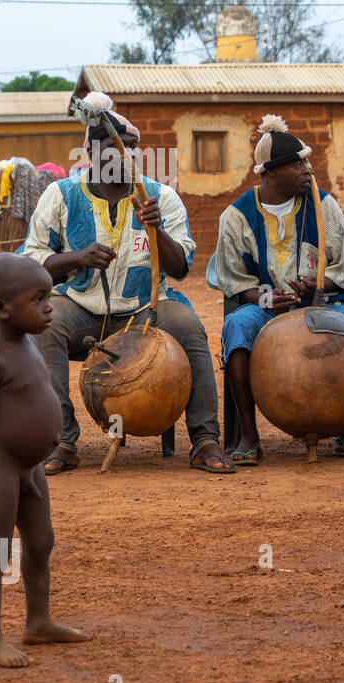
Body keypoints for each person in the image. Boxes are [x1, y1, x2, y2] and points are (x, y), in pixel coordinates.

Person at [23, 90, 234, 474]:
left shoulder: (160, 196)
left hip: (146, 310)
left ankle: (205, 439)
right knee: (44, 326)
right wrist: (77, 257)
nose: (127, 155)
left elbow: (181, 266)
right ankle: (62, 441)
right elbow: (31, 261)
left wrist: (158, 231)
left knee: (189, 327)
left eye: (134, 148)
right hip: (80, 306)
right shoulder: (61, 195)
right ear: (92, 154)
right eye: (117, 147)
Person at [0, 253, 90, 668]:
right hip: (0, 466)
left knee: (41, 543)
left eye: (49, 296)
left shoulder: (26, 341)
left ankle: (38, 622)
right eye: (38, 298)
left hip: (31, 466)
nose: (49, 307)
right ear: (1, 309)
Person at [214, 115, 344, 463]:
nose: (308, 169)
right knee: (236, 326)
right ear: (271, 172)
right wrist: (266, 297)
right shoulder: (235, 217)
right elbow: (233, 282)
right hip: (266, 308)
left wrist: (318, 284)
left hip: (328, 304)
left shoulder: (325, 206)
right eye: (298, 164)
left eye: (307, 161)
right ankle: (248, 435)